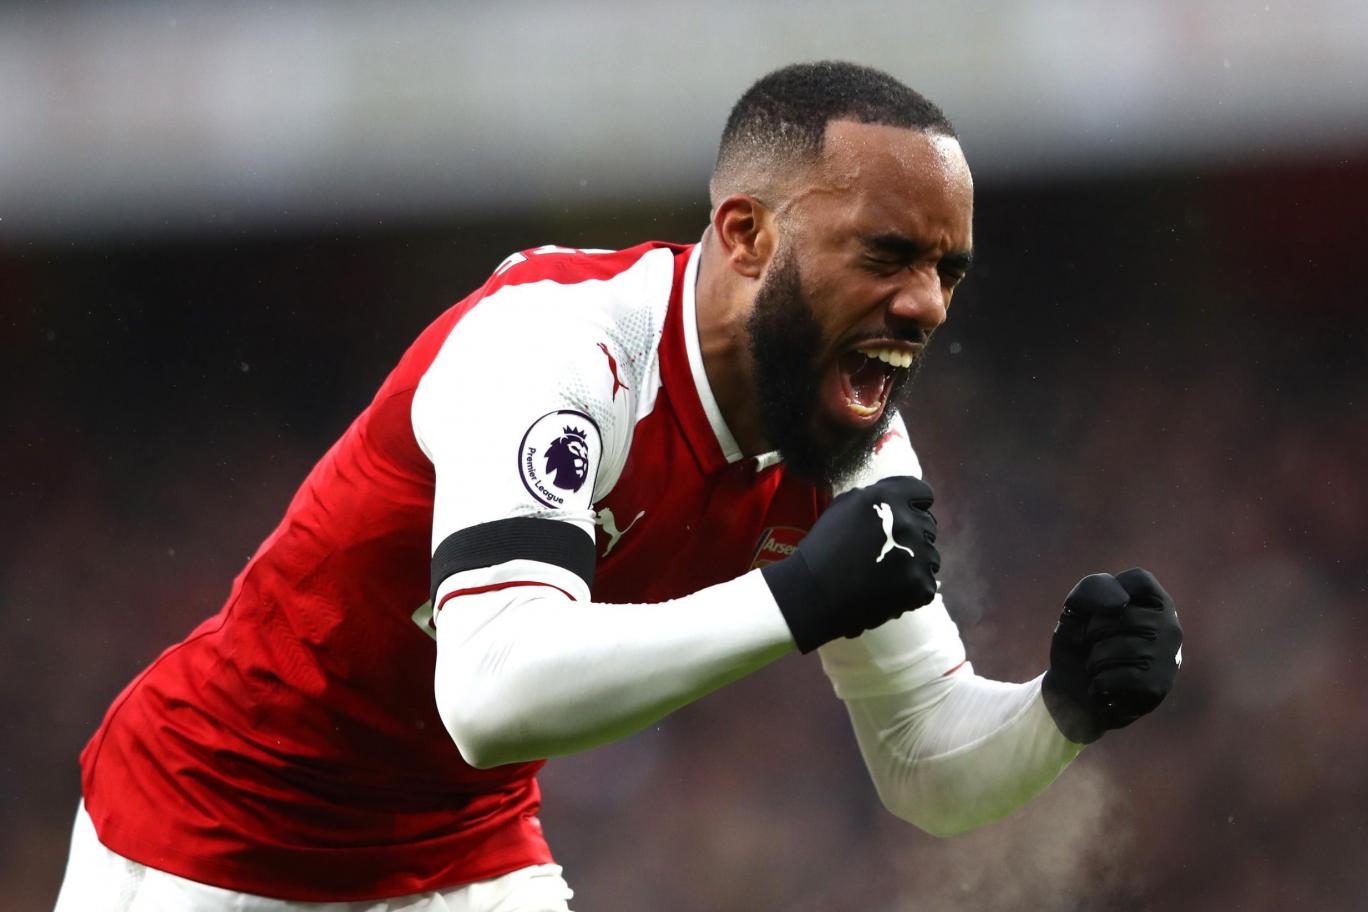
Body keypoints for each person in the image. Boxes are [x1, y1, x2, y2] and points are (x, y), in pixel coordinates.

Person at [54, 61, 1183, 912]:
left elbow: (928, 765)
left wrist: (1062, 706)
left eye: (948, 270)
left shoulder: (847, 442)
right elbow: (492, 697)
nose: (928, 304)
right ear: (746, 235)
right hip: (211, 837)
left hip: (465, 853)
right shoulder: (559, 350)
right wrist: (795, 602)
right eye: (888, 255)